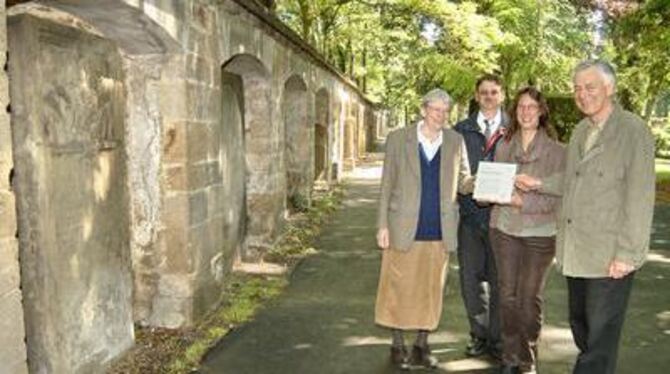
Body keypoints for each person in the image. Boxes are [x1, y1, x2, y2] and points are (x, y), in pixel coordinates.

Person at [516, 60, 655, 374]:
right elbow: (571, 180)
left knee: (598, 344)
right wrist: (538, 183)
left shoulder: (633, 131)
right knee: (583, 332)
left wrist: (627, 254)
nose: (582, 94)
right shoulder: (581, 130)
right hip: (576, 253)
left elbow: (640, 197)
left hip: (609, 258)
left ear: (610, 88)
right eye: (577, 88)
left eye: (590, 87)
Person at [375, 88, 473, 370]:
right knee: (397, 287)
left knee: (431, 290)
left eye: (445, 111)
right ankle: (397, 345)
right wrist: (382, 224)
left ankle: (421, 344)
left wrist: (483, 182)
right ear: (423, 110)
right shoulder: (398, 138)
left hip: (439, 229)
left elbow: (464, 181)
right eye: (435, 110)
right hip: (402, 227)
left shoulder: (455, 140)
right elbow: (386, 185)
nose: (441, 116)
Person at [485, 87, 565, 374]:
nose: (526, 112)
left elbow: (561, 194)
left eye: (532, 107)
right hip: (504, 228)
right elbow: (494, 184)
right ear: (514, 112)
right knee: (507, 296)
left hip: (540, 234)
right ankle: (509, 357)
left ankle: (527, 358)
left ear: (541, 111)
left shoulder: (558, 151)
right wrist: (485, 191)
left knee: (529, 298)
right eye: (521, 107)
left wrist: (523, 201)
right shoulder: (504, 145)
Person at [454, 74, 508, 358]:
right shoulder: (460, 130)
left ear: (502, 95)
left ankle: (498, 340)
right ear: (476, 96)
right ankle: (478, 335)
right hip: (471, 217)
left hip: (504, 219)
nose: (489, 96)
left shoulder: (515, 129)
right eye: (484, 92)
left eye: (494, 92)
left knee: (501, 281)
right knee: (470, 280)